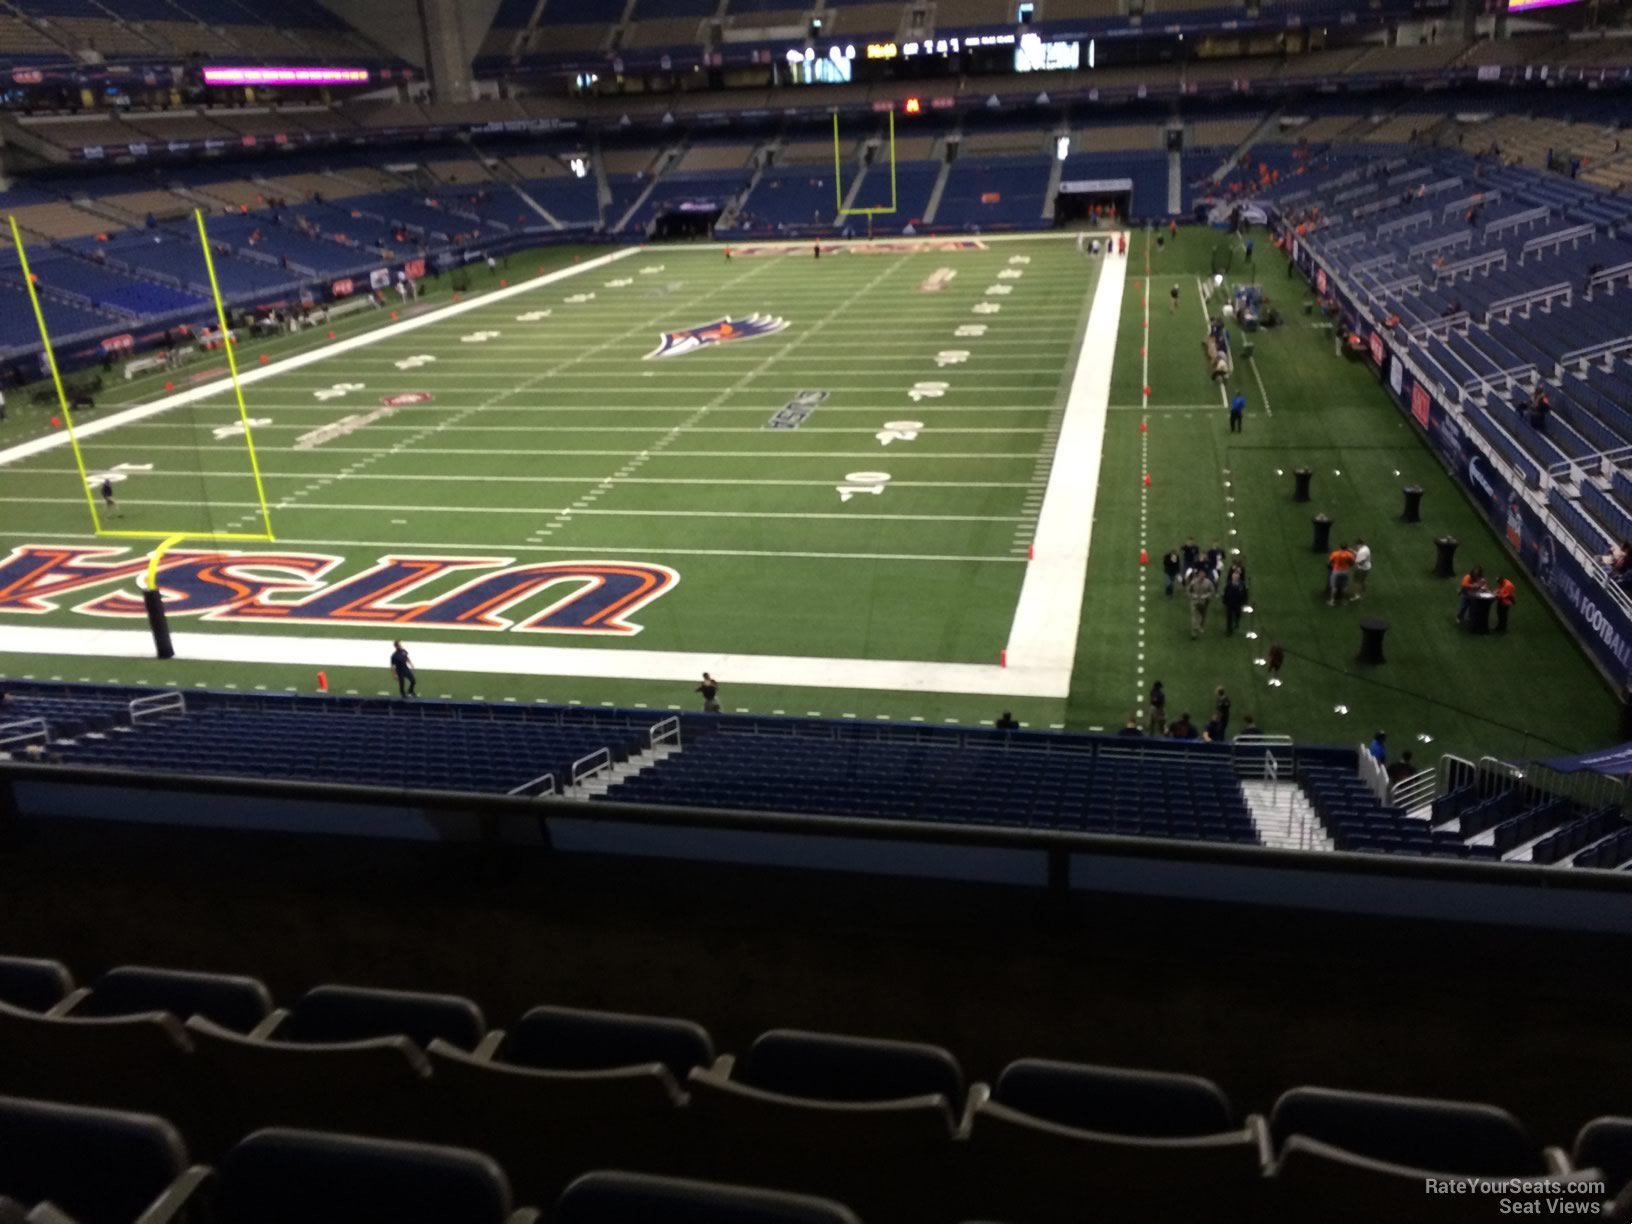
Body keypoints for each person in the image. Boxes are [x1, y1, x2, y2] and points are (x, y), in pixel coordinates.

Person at [1186, 566, 1217, 639]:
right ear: (1198, 575)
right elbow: (1188, 590)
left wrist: (1206, 596)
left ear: (1205, 575)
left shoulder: (1208, 583)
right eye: (1200, 574)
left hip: (1204, 603)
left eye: (1203, 574)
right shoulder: (1193, 582)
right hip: (1195, 602)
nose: (1201, 576)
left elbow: (1212, 591)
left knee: (1202, 616)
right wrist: (1193, 595)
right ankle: (1194, 632)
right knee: (1194, 616)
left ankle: (1199, 626)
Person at [1221, 563, 1249, 635]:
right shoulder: (1229, 584)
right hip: (1230, 603)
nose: (1235, 578)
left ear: (1238, 577)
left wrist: (1245, 601)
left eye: (1236, 577)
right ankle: (1229, 630)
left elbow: (1245, 594)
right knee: (1229, 616)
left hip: (1238, 603)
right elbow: (1225, 593)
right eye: (1234, 577)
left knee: (1237, 614)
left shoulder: (1242, 585)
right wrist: (1224, 601)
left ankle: (1236, 622)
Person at [1327, 542, 1356, 607]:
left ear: (1340, 547)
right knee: (1344, 587)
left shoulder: (1335, 553)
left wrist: (1331, 565)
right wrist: (1348, 566)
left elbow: (1330, 562)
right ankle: (1343, 601)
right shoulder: (1350, 554)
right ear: (1346, 548)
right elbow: (1352, 563)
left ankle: (1332, 601)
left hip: (1336, 571)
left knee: (1334, 587)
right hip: (1345, 571)